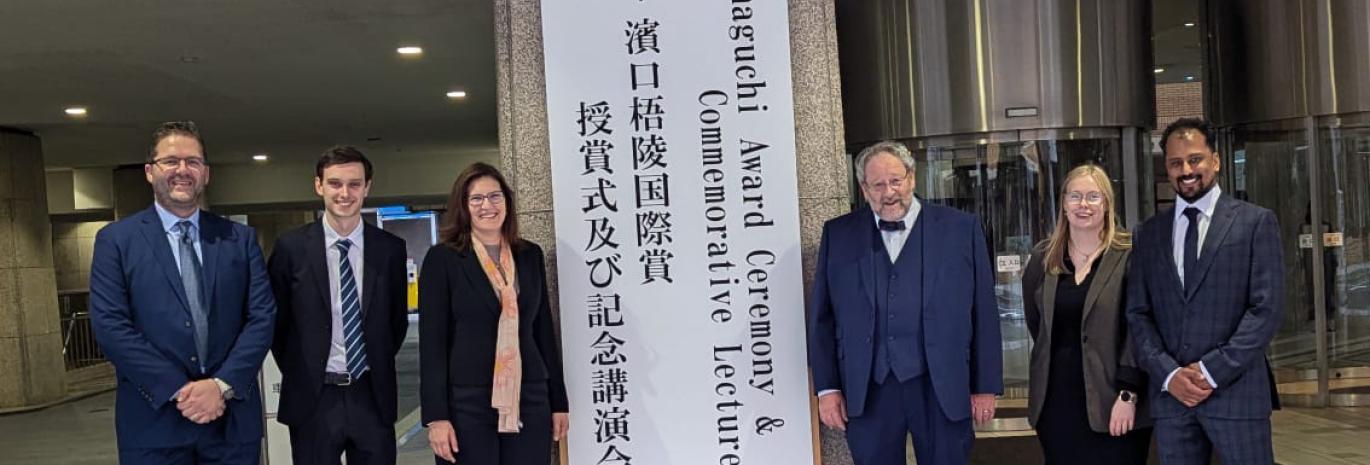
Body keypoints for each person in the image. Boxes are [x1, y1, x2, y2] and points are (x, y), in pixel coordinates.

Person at [89, 121, 276, 464]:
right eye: (171, 161)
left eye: (193, 162)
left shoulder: (239, 239)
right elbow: (111, 326)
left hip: (230, 422)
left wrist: (219, 386)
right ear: (150, 171)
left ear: (206, 174)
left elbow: (262, 318)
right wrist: (182, 391)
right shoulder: (116, 241)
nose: (182, 170)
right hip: (152, 424)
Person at [808, 141, 1003, 465]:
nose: (889, 192)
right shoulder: (838, 234)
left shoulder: (960, 229)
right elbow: (822, 318)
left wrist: (985, 385)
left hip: (942, 383)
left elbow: (982, 310)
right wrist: (827, 389)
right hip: (870, 388)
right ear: (863, 188)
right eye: (878, 185)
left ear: (912, 177)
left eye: (896, 181)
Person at [1126, 118, 1284, 465]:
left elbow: (1265, 309)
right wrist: (1169, 374)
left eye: (1195, 159)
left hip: (1237, 395)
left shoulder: (1255, 223)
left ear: (1215, 160)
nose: (1186, 170)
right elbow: (1138, 314)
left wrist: (1211, 371)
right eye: (1175, 163)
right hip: (1172, 401)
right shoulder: (1148, 234)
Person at [419, 162, 569, 464]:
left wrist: (558, 402)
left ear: (507, 202)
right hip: (466, 401)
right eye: (476, 198)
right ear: (463, 206)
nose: (487, 205)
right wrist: (436, 418)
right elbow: (432, 343)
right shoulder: (443, 258)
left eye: (495, 196)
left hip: (529, 395)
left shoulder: (528, 255)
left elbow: (542, 331)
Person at [268, 146, 410, 465]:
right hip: (314, 399)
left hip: (372, 395)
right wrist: (305, 369)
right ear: (319, 186)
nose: (344, 193)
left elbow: (396, 323)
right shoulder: (290, 248)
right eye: (334, 183)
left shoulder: (389, 250)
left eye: (354, 184)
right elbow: (278, 325)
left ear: (367, 187)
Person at [1022, 164, 1152, 465]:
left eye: (1093, 196)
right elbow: (1038, 324)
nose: (1083, 204)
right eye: (1075, 196)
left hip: (1116, 403)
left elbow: (1140, 329)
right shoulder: (1043, 258)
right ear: (1063, 203)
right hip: (1056, 406)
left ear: (1107, 203)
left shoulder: (1130, 254)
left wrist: (1128, 394)